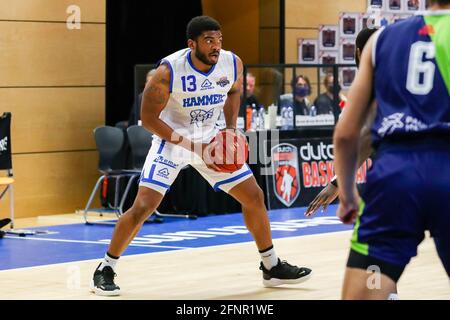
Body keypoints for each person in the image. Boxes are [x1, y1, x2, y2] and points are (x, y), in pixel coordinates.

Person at [91, 15, 312, 296]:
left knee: (254, 196)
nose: (216, 46)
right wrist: (193, 148)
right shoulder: (168, 71)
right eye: (209, 40)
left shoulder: (232, 63)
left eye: (219, 39)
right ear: (191, 43)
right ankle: (105, 268)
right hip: (171, 138)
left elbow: (232, 92)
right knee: (144, 206)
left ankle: (271, 265)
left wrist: (231, 129)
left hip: (211, 136)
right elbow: (148, 119)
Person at [333, 1, 450, 299]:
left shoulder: (380, 39)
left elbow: (347, 134)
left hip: (394, 180)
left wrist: (346, 194)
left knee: (370, 287)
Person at [305, 27, 379, 216]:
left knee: (367, 242)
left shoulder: (372, 84)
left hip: (398, 173)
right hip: (436, 165)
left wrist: (338, 183)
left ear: (359, 52)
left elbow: (363, 138)